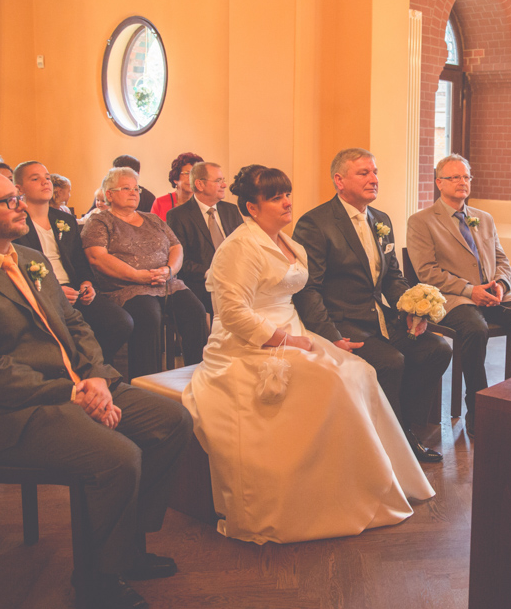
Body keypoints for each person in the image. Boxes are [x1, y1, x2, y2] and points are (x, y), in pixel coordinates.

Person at [0, 166, 193, 609]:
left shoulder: (27, 258)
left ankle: (127, 545)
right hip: (2, 414)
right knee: (117, 456)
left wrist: (98, 375)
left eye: (15, 196)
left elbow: (76, 324)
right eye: (5, 201)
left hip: (77, 386)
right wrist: (75, 393)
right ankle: (98, 581)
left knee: (171, 421)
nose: (19, 204)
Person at [183, 164, 434, 545]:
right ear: (252, 208)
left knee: (360, 372)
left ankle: (366, 482)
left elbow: (300, 292)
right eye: (276, 197)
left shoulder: (286, 240)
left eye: (287, 193)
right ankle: (325, 496)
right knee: (332, 381)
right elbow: (233, 313)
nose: (287, 202)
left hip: (296, 331)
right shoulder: (240, 247)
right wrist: (285, 339)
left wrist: (320, 338)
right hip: (249, 345)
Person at [293, 148, 451, 463]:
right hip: (344, 321)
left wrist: (412, 310)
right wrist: (330, 334)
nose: (374, 179)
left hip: (382, 319)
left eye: (375, 172)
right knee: (391, 362)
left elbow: (392, 277)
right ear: (339, 180)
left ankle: (404, 428)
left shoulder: (381, 220)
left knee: (438, 349)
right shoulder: (316, 223)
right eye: (363, 173)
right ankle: (385, 448)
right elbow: (308, 289)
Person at [406, 154, 511, 436]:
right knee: (475, 330)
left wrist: (501, 285)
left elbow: (502, 260)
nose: (462, 182)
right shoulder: (422, 221)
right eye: (454, 177)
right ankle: (478, 410)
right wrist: (470, 290)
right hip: (454, 300)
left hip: (494, 295)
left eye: (466, 177)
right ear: (439, 182)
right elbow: (426, 272)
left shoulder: (484, 218)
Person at [82, 167, 208, 377]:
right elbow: (97, 257)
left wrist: (169, 270)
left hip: (166, 283)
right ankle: (146, 380)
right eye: (126, 188)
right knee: (149, 317)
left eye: (136, 188)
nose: (134, 192)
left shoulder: (152, 219)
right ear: (109, 194)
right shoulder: (100, 221)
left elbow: (176, 247)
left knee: (195, 311)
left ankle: (199, 374)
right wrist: (137, 275)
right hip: (127, 287)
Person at [14, 161, 133, 367]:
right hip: (40, 294)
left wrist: (87, 283)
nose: (45, 182)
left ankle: (91, 369)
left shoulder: (64, 220)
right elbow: (17, 268)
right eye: (35, 179)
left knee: (120, 322)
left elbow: (79, 259)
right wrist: (54, 291)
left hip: (75, 291)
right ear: (19, 189)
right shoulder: (16, 223)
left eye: (47, 177)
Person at [166, 160, 243, 315]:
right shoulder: (178, 216)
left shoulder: (231, 210)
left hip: (237, 278)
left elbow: (244, 247)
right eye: (218, 181)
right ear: (200, 185)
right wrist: (212, 273)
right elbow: (182, 261)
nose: (224, 185)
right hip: (202, 283)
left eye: (223, 180)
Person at [151, 152, 203, 222]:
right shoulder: (160, 203)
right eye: (187, 173)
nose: (192, 178)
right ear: (176, 178)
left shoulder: (204, 204)